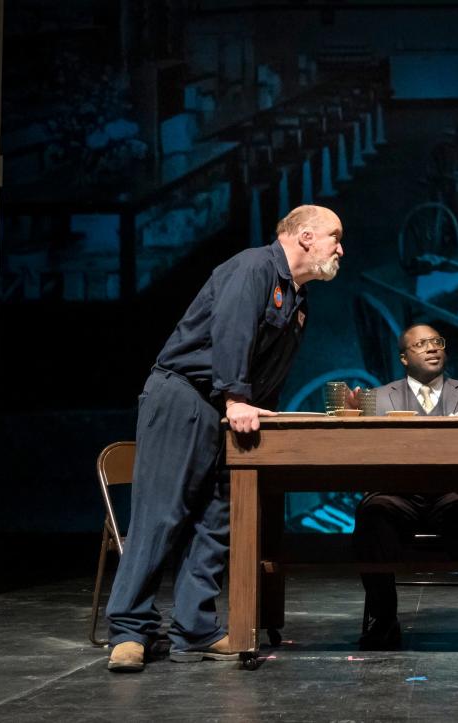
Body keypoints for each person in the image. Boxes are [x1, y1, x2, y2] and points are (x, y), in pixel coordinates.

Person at [105, 205, 344, 672]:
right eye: (335, 236)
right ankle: (129, 630)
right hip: (186, 396)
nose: (341, 247)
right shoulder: (253, 267)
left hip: (229, 409)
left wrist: (259, 413)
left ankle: (195, 627)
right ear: (306, 236)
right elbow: (231, 331)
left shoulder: (297, 301)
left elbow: (271, 371)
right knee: (162, 512)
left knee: (217, 517)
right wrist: (236, 398)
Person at [350, 323, 458, 658]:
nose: (432, 348)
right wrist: (353, 419)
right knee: (372, 512)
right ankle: (382, 621)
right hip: (397, 494)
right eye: (421, 344)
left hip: (454, 493)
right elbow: (363, 452)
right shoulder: (378, 397)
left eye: (437, 342)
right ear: (404, 358)